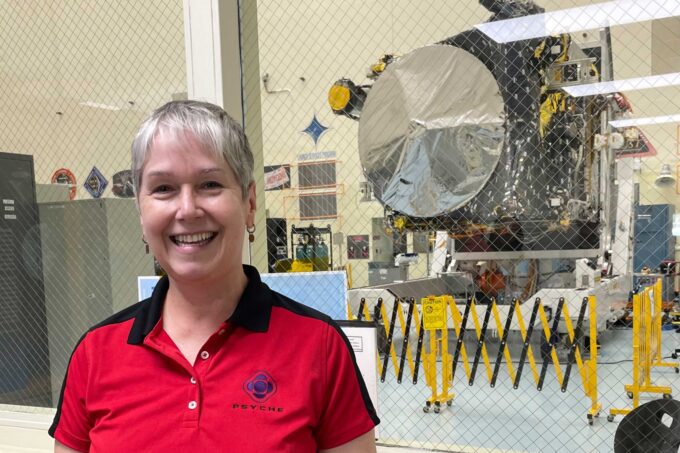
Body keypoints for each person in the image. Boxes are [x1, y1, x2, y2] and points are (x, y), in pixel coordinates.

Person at [49, 100, 379, 452]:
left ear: (249, 204)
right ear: (141, 212)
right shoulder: (95, 354)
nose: (187, 209)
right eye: (163, 189)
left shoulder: (320, 348)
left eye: (209, 184)